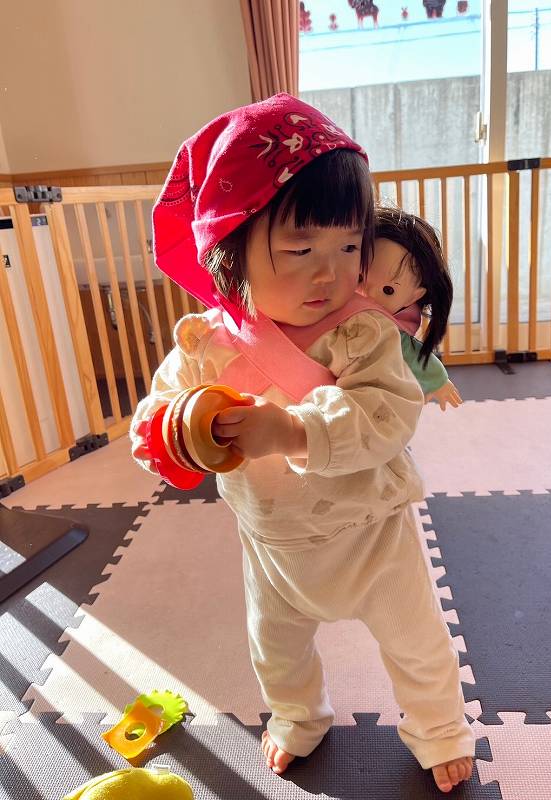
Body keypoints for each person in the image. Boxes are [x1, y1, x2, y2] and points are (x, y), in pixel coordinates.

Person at [130, 93, 475, 793]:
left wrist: (292, 430)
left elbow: (386, 414)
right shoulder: (205, 343)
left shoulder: (362, 331)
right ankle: (296, 719)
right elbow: (153, 422)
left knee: (417, 643)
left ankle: (439, 727)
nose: (331, 272)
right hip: (272, 542)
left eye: (350, 247)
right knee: (276, 650)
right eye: (299, 250)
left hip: (371, 535)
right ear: (230, 251)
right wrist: (181, 426)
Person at [362, 205, 462, 411]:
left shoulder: (388, 331)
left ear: (414, 296)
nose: (367, 295)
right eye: (358, 278)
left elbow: (413, 354)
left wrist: (438, 381)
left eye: (388, 290)